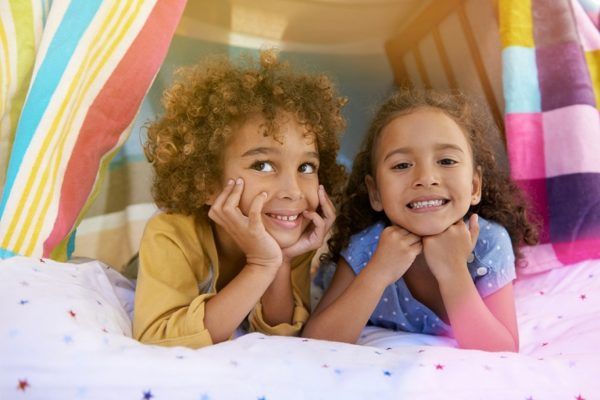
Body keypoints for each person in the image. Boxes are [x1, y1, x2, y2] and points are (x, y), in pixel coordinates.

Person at [132, 49, 347, 348]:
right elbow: (160, 337)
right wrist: (261, 264)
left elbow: (282, 334)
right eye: (263, 165)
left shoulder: (292, 234)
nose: (294, 191)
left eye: (306, 167)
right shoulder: (171, 233)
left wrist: (281, 261)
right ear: (207, 181)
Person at [303, 89, 538, 352]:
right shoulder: (367, 245)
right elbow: (315, 341)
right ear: (376, 193)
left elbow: (502, 350)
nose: (426, 177)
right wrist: (378, 272)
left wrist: (453, 271)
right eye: (402, 165)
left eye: (447, 161)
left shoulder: (488, 243)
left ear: (474, 187)